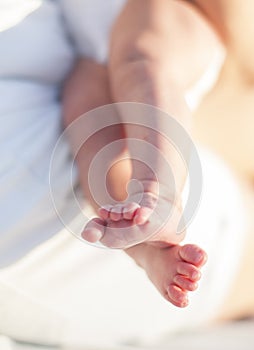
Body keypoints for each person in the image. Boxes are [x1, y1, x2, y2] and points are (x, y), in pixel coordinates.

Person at [0, 0, 253, 348]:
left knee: (144, 60)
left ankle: (160, 192)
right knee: (88, 122)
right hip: (84, 48)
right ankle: (142, 244)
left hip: (153, 11)